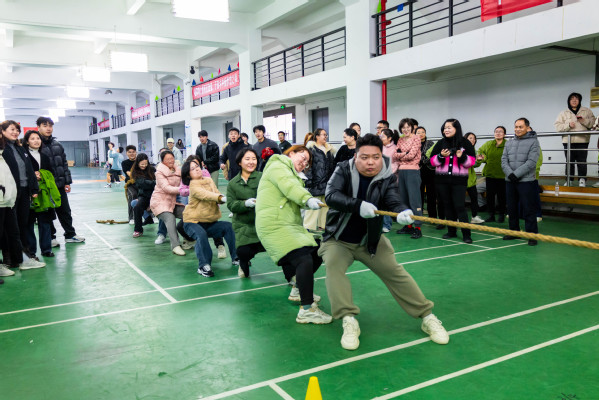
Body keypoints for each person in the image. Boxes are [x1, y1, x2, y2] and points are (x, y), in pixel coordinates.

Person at [319, 133, 449, 350]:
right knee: (333, 267)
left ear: (382, 156)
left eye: (376, 157)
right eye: (365, 157)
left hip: (370, 240)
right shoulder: (343, 169)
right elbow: (331, 195)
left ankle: (427, 317)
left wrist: (402, 211)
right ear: (356, 156)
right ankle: (348, 319)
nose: (370, 162)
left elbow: (393, 199)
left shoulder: (387, 174)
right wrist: (357, 205)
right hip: (339, 239)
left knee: (395, 273)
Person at [255, 145, 332, 324]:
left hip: (289, 225)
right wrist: (307, 198)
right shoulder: (278, 165)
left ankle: (298, 289)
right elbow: (289, 187)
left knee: (318, 250)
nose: (304, 164)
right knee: (303, 259)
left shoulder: (292, 174)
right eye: (302, 158)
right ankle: (307, 310)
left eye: (307, 163)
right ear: (291, 153)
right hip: (273, 224)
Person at [1, 121, 45, 270]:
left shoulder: (20, 148)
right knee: (9, 227)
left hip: (24, 191)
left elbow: (29, 169)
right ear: (3, 131)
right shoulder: (3, 149)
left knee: (23, 224)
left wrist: (34, 188)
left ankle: (25, 255)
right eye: (12, 129)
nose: (15, 132)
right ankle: (9, 257)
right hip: (10, 192)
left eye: (17, 130)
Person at [182, 159, 238, 277]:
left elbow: (216, 193)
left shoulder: (209, 180)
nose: (197, 169)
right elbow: (205, 195)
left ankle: (237, 258)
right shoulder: (193, 185)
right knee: (200, 234)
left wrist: (224, 199)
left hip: (209, 221)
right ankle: (203, 266)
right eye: (192, 169)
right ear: (188, 175)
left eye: (197, 166)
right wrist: (220, 198)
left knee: (228, 227)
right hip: (192, 222)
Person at [36, 116, 85, 245]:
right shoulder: (35, 144)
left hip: (59, 185)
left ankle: (70, 235)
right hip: (45, 187)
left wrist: (67, 182)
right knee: (48, 212)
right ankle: (51, 238)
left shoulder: (57, 145)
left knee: (65, 211)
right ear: (38, 127)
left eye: (50, 126)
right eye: (45, 125)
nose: (48, 128)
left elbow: (64, 164)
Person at [430, 119, 476, 244]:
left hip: (459, 181)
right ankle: (451, 231)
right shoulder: (440, 143)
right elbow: (432, 161)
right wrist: (441, 156)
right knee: (447, 206)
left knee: (459, 206)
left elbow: (472, 162)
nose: (446, 130)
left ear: (457, 128)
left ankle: (466, 234)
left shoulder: (465, 143)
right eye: (445, 128)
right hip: (442, 181)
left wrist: (462, 157)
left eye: (449, 127)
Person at [501, 118, 541, 246]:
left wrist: (516, 174)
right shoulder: (509, 143)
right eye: (516, 127)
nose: (517, 129)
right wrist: (510, 174)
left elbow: (531, 162)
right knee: (511, 208)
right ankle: (514, 231)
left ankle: (532, 235)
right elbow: (503, 160)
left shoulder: (534, 142)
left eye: (520, 127)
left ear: (527, 128)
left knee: (528, 208)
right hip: (510, 180)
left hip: (526, 181)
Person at [226, 148, 263, 278]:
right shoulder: (233, 183)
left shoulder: (263, 178)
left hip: (263, 222)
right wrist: (245, 204)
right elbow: (231, 204)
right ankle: (243, 263)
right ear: (239, 162)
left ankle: (291, 277)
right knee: (243, 252)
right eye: (247, 159)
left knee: (280, 250)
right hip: (243, 225)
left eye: (254, 159)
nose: (251, 162)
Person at [23, 130, 60, 258]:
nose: (36, 141)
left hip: (44, 194)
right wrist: (33, 175)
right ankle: (31, 251)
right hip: (29, 193)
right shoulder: (24, 155)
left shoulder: (44, 156)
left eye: (38, 138)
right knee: (29, 223)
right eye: (32, 138)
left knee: (45, 222)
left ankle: (46, 249)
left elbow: (51, 173)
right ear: (27, 141)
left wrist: (42, 175)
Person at [554, 92, 595, 187]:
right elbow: (557, 127)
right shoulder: (563, 113)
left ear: (579, 100)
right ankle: (569, 180)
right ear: (569, 101)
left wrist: (583, 121)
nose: (574, 100)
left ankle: (582, 180)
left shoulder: (587, 111)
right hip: (568, 142)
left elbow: (593, 124)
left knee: (582, 161)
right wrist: (568, 125)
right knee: (569, 162)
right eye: (572, 98)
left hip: (582, 141)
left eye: (576, 98)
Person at [150, 150, 186, 256]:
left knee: (189, 213)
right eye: (167, 159)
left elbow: (185, 182)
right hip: (159, 202)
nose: (170, 160)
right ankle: (175, 246)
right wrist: (183, 190)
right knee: (170, 218)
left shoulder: (177, 170)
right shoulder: (159, 172)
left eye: (172, 158)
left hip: (172, 203)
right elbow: (166, 188)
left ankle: (189, 239)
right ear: (162, 161)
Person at [394, 118, 423, 239]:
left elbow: (412, 155)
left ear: (412, 127)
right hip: (401, 171)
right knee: (404, 200)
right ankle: (408, 225)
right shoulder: (400, 139)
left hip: (413, 171)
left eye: (408, 127)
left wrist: (402, 155)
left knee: (414, 200)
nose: (405, 129)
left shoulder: (416, 138)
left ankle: (418, 227)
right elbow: (395, 155)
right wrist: (404, 154)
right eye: (403, 127)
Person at [304, 128, 336, 232]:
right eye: (323, 134)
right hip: (315, 183)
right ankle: (308, 227)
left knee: (325, 207)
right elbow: (308, 167)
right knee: (313, 206)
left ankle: (322, 226)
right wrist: (309, 182)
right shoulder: (311, 150)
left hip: (327, 183)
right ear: (317, 136)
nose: (325, 137)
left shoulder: (329, 150)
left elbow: (332, 168)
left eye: (326, 135)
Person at [0, 132, 20, 278]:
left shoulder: (3, 154)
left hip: (7, 201)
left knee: (12, 232)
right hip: (1, 200)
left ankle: (16, 260)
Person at [477, 126, 507, 223]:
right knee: (490, 197)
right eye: (496, 131)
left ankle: (501, 215)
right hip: (490, 175)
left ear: (504, 134)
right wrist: (483, 157)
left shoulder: (508, 144)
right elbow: (480, 151)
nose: (498, 133)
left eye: (500, 131)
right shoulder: (488, 144)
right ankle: (491, 215)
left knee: (502, 197)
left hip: (503, 176)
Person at [131, 153, 156, 237]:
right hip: (144, 196)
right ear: (138, 163)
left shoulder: (152, 169)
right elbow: (142, 184)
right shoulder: (135, 172)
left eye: (146, 163)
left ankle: (162, 231)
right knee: (137, 207)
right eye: (142, 164)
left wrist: (151, 183)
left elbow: (159, 180)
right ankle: (138, 230)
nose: (144, 166)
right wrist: (154, 183)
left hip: (156, 194)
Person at [380, 128, 399, 233]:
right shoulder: (379, 147)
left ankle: (387, 225)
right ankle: (380, 224)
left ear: (390, 138)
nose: (381, 138)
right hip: (379, 177)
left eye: (383, 136)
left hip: (390, 178)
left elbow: (396, 163)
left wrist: (388, 172)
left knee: (387, 202)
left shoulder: (395, 148)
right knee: (380, 201)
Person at [417, 127, 438, 220]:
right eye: (418, 132)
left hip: (430, 171)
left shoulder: (430, 143)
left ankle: (432, 216)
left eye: (423, 132)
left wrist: (423, 160)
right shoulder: (413, 143)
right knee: (419, 194)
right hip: (418, 171)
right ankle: (419, 215)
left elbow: (433, 156)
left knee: (431, 195)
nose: (421, 134)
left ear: (425, 133)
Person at [464, 132, 484, 224]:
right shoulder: (461, 150)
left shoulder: (474, 151)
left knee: (474, 199)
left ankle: (474, 217)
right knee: (460, 200)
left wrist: (478, 161)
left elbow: (474, 165)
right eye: (470, 138)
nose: (473, 140)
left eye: (474, 138)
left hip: (471, 180)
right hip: (461, 179)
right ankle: (458, 218)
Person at [121, 145, 138, 223]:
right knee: (133, 195)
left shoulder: (140, 161)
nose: (132, 154)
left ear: (136, 152)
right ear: (126, 153)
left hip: (141, 183)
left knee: (148, 195)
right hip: (131, 184)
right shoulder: (124, 163)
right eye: (129, 152)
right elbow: (129, 174)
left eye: (133, 152)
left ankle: (151, 216)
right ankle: (131, 218)